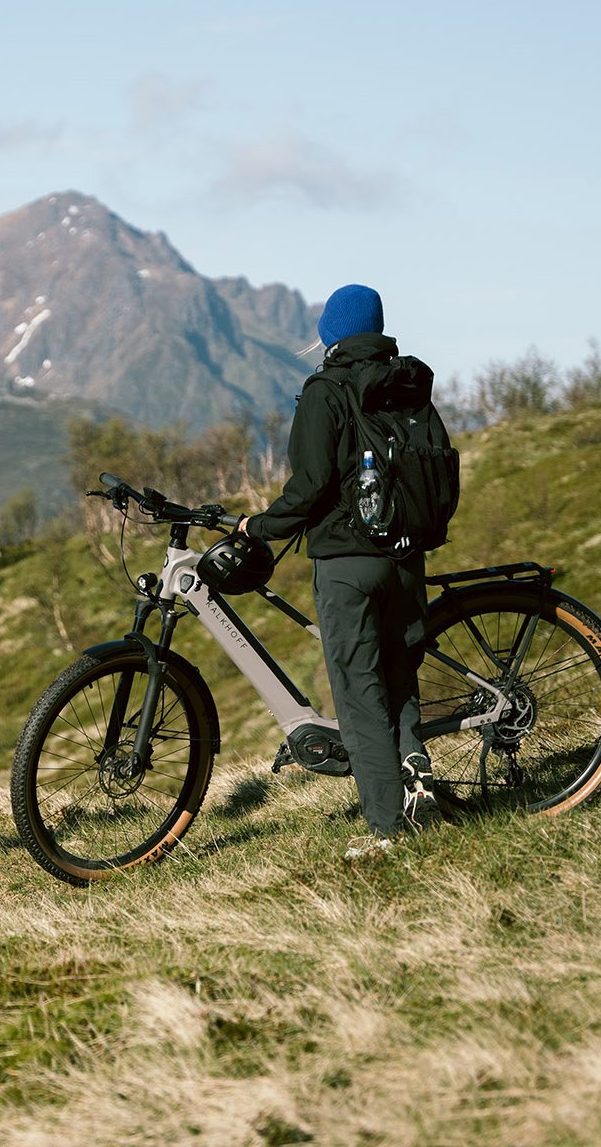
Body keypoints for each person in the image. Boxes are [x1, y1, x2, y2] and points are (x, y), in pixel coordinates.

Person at [238, 285, 443, 851]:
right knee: (400, 678)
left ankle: (386, 831)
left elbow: (308, 489)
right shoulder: (406, 383)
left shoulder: (326, 391)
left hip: (348, 565)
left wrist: (256, 527)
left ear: (330, 333)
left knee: (359, 695)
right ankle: (418, 786)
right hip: (406, 559)